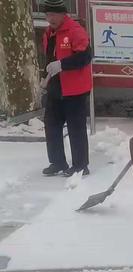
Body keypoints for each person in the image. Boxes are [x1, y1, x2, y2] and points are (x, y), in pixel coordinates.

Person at [41, 0, 92, 177]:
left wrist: (63, 65)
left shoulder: (75, 31)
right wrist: (44, 77)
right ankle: (57, 162)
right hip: (55, 87)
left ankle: (80, 165)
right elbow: (48, 58)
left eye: (53, 14)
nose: (50, 18)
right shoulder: (48, 33)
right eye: (47, 15)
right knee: (51, 125)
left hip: (75, 89)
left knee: (75, 128)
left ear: (63, 14)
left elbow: (85, 57)